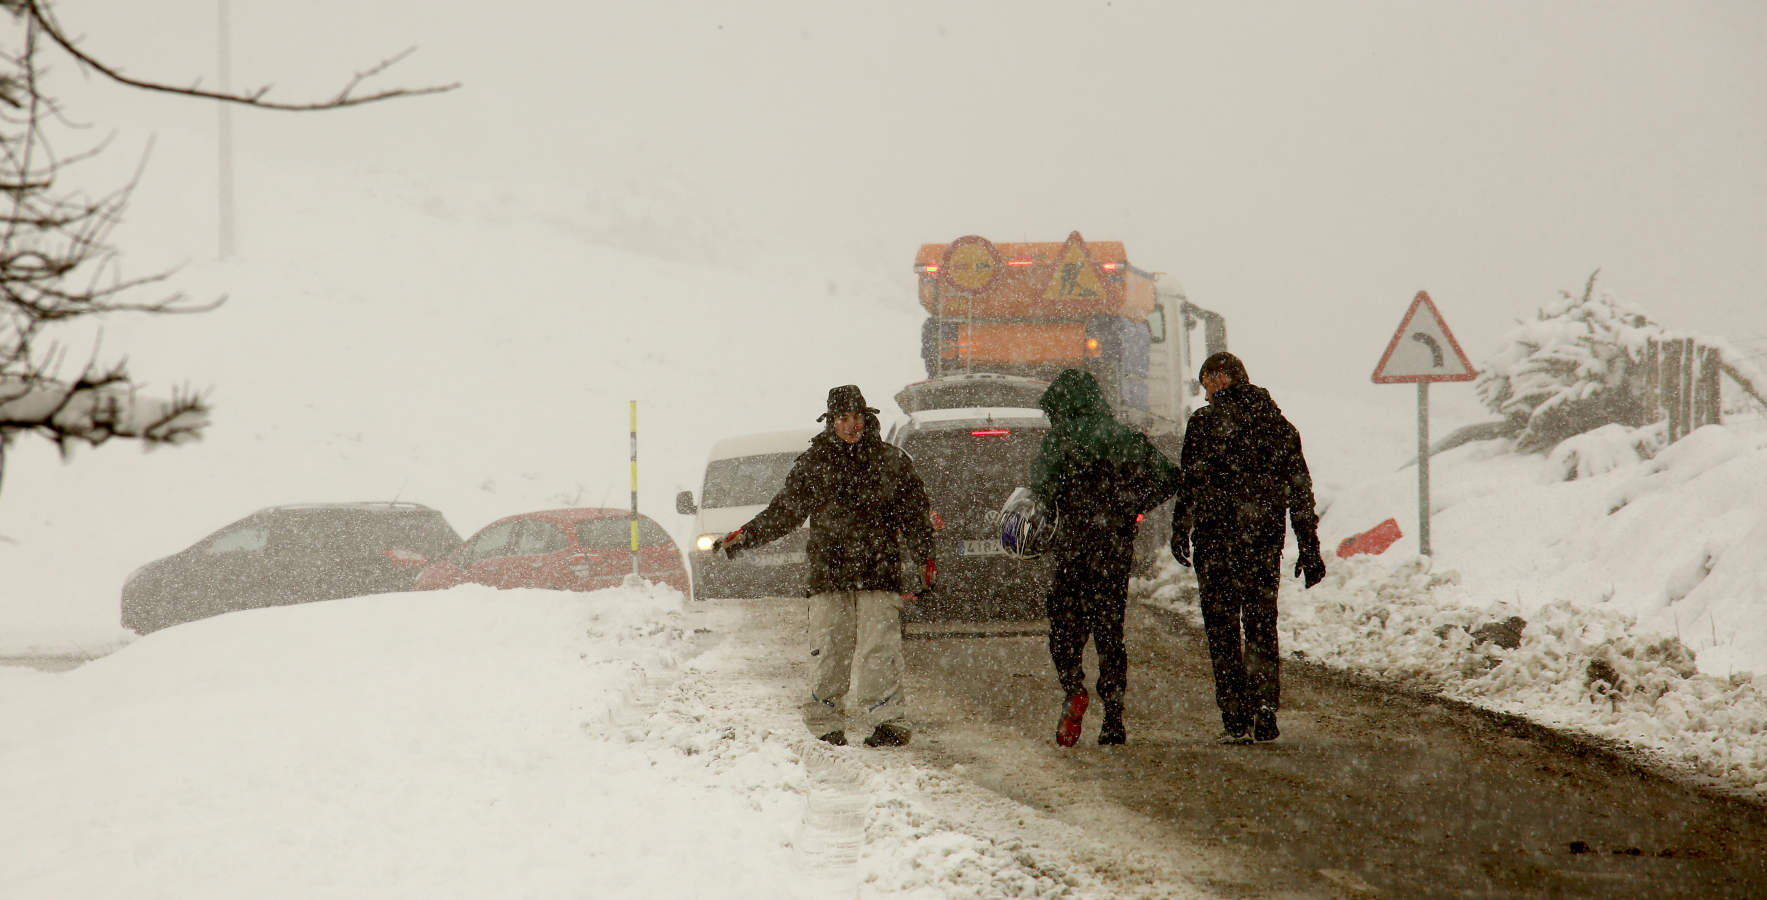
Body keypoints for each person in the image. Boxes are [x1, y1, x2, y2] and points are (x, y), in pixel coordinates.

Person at [714, 385, 936, 748]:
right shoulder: (813, 464)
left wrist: (925, 558)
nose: (851, 426)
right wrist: (746, 535)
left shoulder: (892, 461)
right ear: (831, 421)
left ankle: (889, 722)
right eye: (843, 418)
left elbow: (914, 517)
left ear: (868, 417)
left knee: (879, 650)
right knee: (830, 650)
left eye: (857, 417)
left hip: (879, 573)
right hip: (829, 574)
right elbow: (784, 512)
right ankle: (825, 726)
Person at [1169, 352, 1325, 745]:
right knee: (1260, 625)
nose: (1205, 395)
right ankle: (1265, 709)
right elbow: (1300, 492)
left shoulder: (1204, 424)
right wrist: (1309, 547)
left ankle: (1235, 717)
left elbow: (1190, 484)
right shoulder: (1278, 425)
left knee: (1222, 630)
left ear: (1221, 378)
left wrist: (1180, 528)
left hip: (1216, 545)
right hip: (1260, 544)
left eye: (1207, 385)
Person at [1028, 368, 1180, 747]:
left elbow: (1042, 489)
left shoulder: (1058, 440)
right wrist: (1134, 506)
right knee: (1110, 632)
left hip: (1073, 550)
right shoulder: (1124, 437)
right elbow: (1168, 477)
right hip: (1114, 549)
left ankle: (1074, 686)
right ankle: (1113, 717)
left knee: (1065, 628)